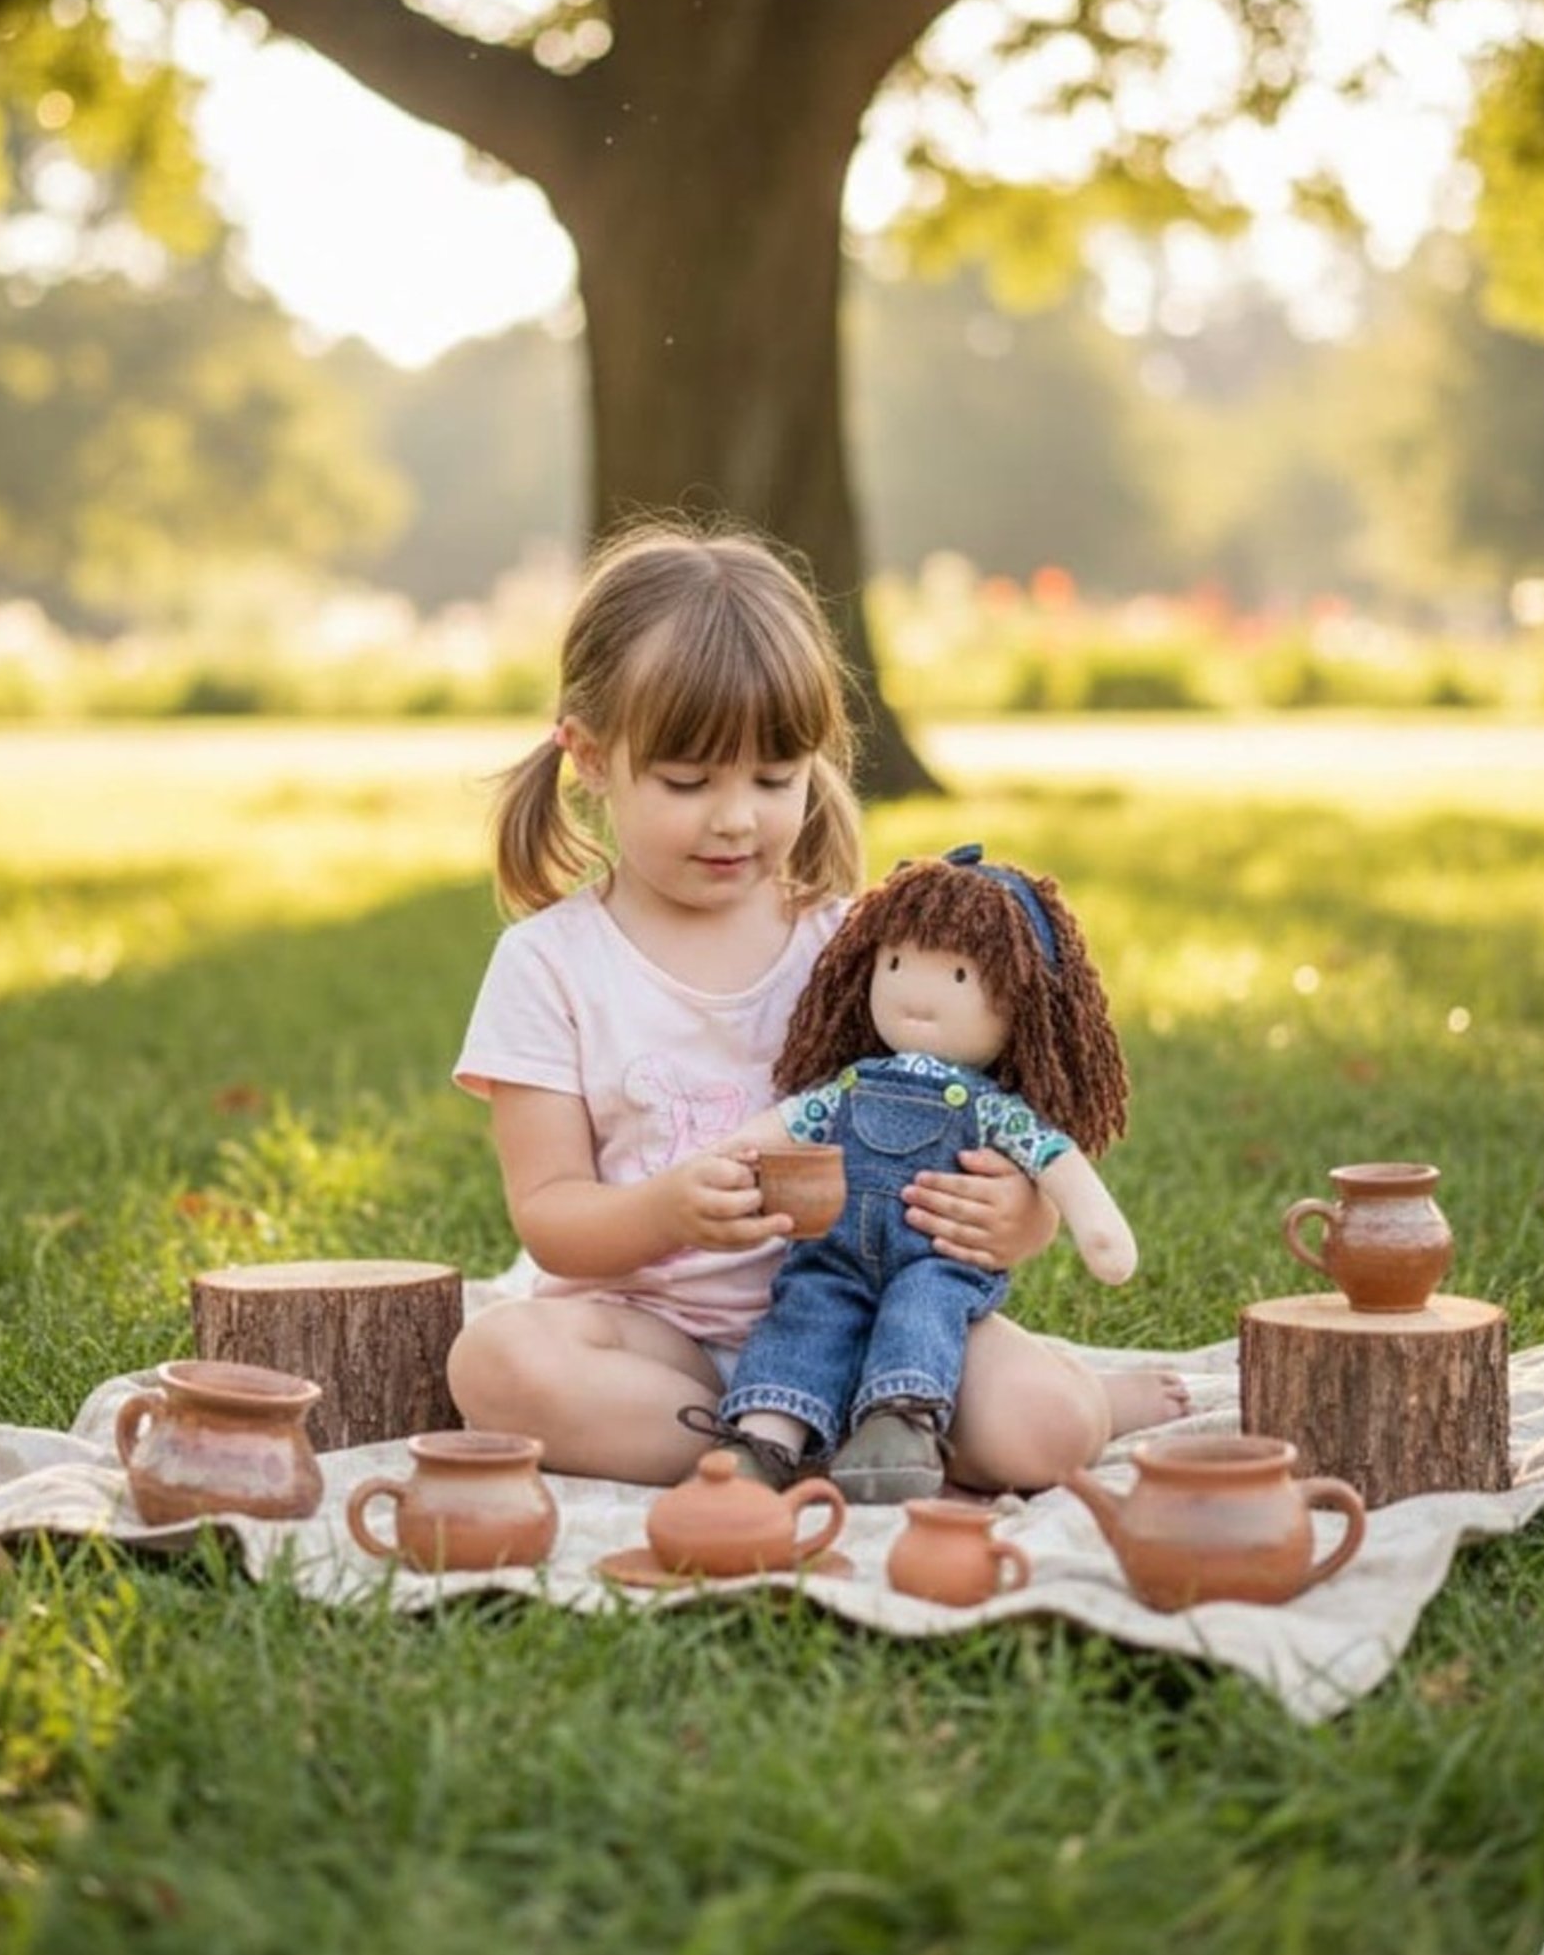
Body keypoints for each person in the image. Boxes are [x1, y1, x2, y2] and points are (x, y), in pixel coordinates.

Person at [447, 516, 1186, 1490]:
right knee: (494, 1363)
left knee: (1040, 1432)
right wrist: (670, 1210)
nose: (736, 816)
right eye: (686, 779)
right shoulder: (549, 964)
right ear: (588, 756)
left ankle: (1046, 1400)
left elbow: (974, 1122)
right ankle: (791, 1440)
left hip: (873, 1312)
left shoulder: (849, 948)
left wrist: (1018, 1218)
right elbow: (551, 1216)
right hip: (655, 1331)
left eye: (774, 776)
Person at [713, 847, 1143, 1504]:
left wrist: (1092, 1226)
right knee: (805, 1314)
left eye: (960, 976)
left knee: (924, 1312)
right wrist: (734, 1155)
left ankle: (899, 1426)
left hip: (934, 1260)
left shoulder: (990, 1108)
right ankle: (764, 1438)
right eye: (894, 964)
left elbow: (1055, 1160)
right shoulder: (849, 1083)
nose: (915, 992)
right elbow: (783, 1125)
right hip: (833, 1255)